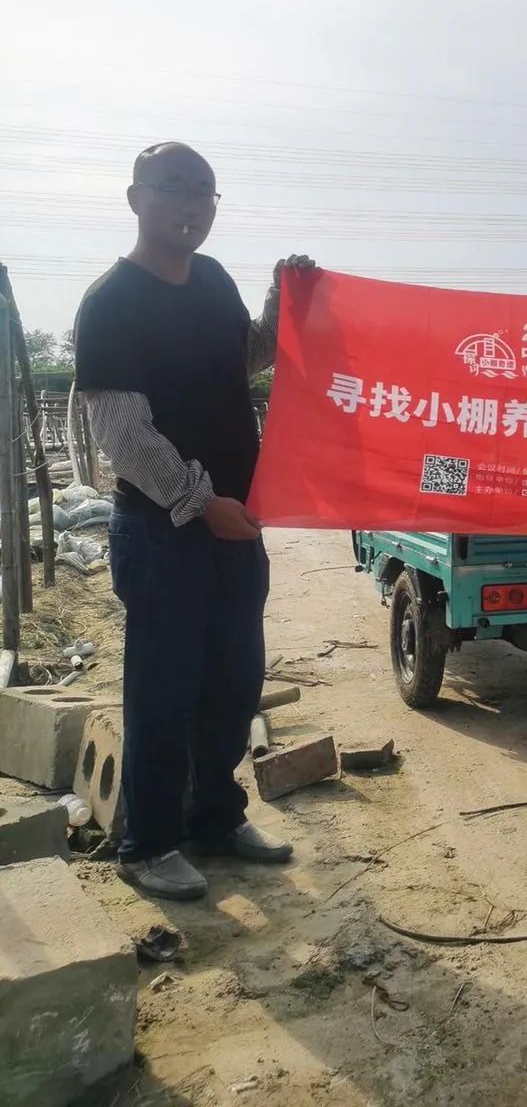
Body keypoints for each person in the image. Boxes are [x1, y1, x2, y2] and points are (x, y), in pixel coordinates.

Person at [74, 141, 316, 901]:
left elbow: (242, 356)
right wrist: (199, 502)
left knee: (234, 681)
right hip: (163, 530)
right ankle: (149, 844)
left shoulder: (212, 280)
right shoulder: (111, 303)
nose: (191, 205)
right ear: (136, 198)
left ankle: (216, 815)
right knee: (164, 690)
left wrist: (283, 301)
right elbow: (124, 434)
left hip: (234, 525)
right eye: (174, 188)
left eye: (205, 192)